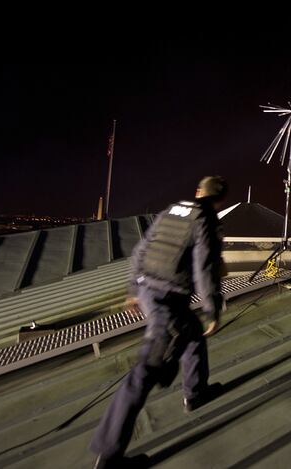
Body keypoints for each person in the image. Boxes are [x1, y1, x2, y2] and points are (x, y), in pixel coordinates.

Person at [90, 176, 228, 468]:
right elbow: (205, 268)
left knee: (192, 334)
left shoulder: (171, 210)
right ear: (219, 201)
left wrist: (132, 290)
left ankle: (196, 392)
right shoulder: (206, 219)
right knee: (143, 374)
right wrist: (213, 309)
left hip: (149, 291)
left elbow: (141, 250)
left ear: (197, 192)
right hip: (168, 303)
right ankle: (109, 457)